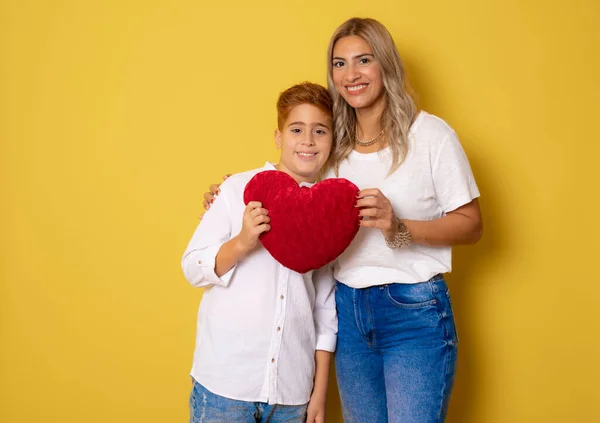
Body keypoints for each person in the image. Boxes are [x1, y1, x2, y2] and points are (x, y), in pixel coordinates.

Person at [204, 17, 483, 423]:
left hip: (413, 311)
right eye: (339, 64)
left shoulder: (431, 135)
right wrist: (229, 192)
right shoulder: (333, 145)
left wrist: (399, 227)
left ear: (385, 64)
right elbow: (289, 189)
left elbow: (472, 224)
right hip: (347, 312)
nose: (350, 75)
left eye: (363, 60)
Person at [182, 82, 338, 423]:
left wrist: (318, 392)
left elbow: (325, 310)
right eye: (297, 129)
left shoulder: (330, 212)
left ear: (332, 139)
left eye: (320, 131)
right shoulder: (235, 189)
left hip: (292, 394)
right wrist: (242, 242)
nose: (308, 141)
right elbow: (192, 267)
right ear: (279, 137)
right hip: (225, 388)